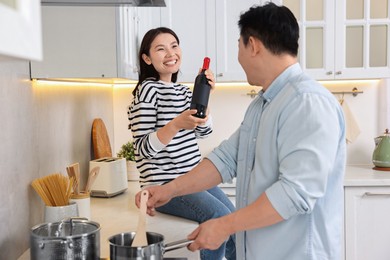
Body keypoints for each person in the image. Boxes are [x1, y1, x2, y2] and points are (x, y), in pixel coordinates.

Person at [136, 3, 346, 260]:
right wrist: (169, 191)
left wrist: (224, 225)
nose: (238, 56)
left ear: (254, 46)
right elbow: (225, 159)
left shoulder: (307, 102)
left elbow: (294, 194)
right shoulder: (263, 103)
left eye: (239, 45)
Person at [128, 27, 236, 260]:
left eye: (174, 46)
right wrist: (175, 124)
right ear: (147, 58)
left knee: (232, 218)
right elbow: (142, 149)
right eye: (160, 49)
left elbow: (204, 131)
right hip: (164, 186)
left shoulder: (183, 91)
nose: (170, 53)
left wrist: (204, 95)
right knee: (217, 216)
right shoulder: (147, 91)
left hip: (193, 179)